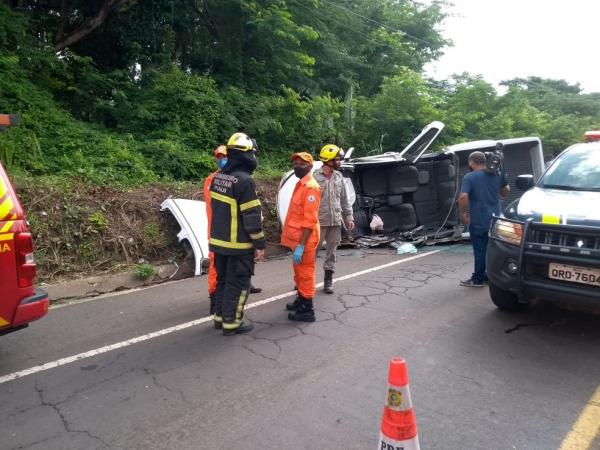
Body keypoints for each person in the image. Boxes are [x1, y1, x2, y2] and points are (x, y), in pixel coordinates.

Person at [209, 133, 265, 335]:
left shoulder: (218, 178)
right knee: (239, 284)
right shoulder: (245, 181)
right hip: (239, 245)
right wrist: (259, 244)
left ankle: (220, 318)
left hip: (219, 242)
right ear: (246, 155)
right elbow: (251, 217)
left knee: (223, 281)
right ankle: (233, 323)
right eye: (252, 152)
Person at [459, 151, 510, 287]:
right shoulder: (496, 174)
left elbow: (463, 196)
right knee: (492, 250)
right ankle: (490, 277)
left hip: (479, 220)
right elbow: (506, 192)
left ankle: (478, 279)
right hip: (495, 220)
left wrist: (463, 213)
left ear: (471, 162)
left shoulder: (470, 177)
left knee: (480, 249)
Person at [281, 152, 321, 322]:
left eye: (302, 164)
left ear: (310, 167)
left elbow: (309, 221)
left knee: (305, 274)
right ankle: (301, 299)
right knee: (298, 273)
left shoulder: (311, 187)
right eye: (296, 163)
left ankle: (307, 309)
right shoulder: (300, 184)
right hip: (297, 239)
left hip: (305, 240)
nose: (297, 166)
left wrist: (302, 245)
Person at [314, 144, 354, 294]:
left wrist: (348, 217)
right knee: (311, 252)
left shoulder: (339, 177)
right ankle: (304, 280)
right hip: (318, 222)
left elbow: (344, 200)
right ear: (328, 161)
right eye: (337, 159)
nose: (339, 162)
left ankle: (328, 280)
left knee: (332, 252)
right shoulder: (314, 177)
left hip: (335, 221)